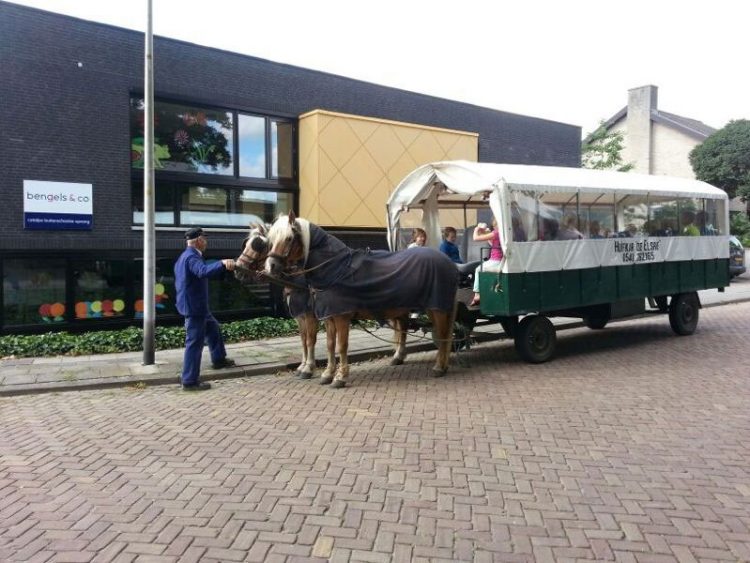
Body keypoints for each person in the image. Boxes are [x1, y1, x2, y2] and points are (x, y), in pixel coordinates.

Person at [175, 227, 237, 391]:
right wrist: (222, 263)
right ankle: (189, 381)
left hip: (198, 306)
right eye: (205, 239)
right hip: (194, 309)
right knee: (194, 343)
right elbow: (202, 272)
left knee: (213, 328)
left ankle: (219, 359)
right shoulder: (191, 257)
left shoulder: (184, 257)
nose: (206, 242)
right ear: (199, 241)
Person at [469, 219, 504, 307]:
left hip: (496, 260)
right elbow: (493, 244)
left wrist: (476, 229)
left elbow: (475, 238)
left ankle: (477, 294)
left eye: (494, 226)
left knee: (478, 270)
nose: (494, 228)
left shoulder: (496, 233)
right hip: (500, 260)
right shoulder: (503, 233)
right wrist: (485, 234)